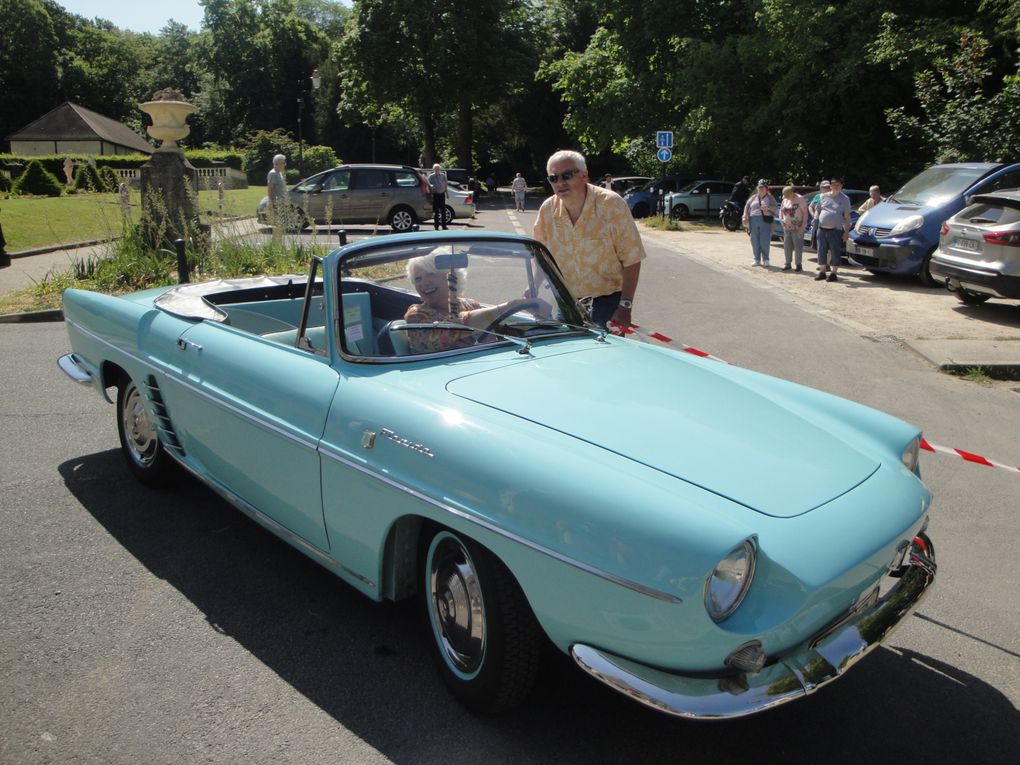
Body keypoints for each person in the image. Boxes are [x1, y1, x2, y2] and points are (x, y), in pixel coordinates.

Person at [532, 149, 646, 330]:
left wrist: (625, 305)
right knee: (566, 355)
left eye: (567, 175)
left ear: (584, 175)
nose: (560, 183)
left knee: (607, 358)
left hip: (608, 303)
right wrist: (531, 289)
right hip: (568, 302)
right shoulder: (547, 210)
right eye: (554, 178)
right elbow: (540, 256)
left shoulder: (611, 205)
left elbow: (632, 258)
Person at [403, 249, 539, 353]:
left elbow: (491, 342)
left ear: (451, 275)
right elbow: (452, 330)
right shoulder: (416, 316)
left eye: (431, 274)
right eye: (418, 279)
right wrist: (512, 305)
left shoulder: (471, 305)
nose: (424, 283)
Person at [814, 177, 852, 282]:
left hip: (835, 229)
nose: (836, 186)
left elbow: (847, 217)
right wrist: (816, 219)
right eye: (834, 184)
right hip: (821, 228)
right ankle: (822, 271)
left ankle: (834, 273)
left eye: (838, 185)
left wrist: (846, 232)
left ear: (841, 186)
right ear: (830, 186)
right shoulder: (824, 196)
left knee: (835, 251)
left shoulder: (845, 199)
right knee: (821, 250)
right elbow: (818, 209)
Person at [741, 179, 777, 267]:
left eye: (762, 187)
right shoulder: (753, 197)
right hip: (753, 220)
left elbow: (775, 208)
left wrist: (767, 208)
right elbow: (747, 206)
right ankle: (756, 259)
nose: (760, 189)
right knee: (754, 240)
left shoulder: (770, 198)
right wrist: (745, 215)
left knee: (764, 240)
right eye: (759, 187)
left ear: (766, 188)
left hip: (765, 220)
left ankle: (766, 259)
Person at [779, 186, 807, 272]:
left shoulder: (800, 199)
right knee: (787, 246)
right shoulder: (785, 200)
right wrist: (782, 221)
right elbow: (781, 212)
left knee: (798, 247)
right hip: (787, 227)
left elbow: (805, 213)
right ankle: (787, 264)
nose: (786, 198)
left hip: (797, 227)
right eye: (785, 196)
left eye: (787, 196)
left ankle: (798, 265)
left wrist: (803, 227)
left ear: (792, 193)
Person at [266, 154, 288, 241]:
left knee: (281, 224)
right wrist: (270, 202)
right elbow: (270, 188)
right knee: (279, 224)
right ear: (278, 163)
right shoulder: (273, 174)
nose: (284, 165)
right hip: (276, 203)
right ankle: (275, 241)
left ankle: (278, 241)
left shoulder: (279, 173)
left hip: (281, 202)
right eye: (283, 163)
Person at [808, 179, 830, 250]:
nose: (826, 189)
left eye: (828, 187)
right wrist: (813, 216)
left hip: (828, 222)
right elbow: (810, 206)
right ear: (821, 188)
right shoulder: (818, 196)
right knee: (816, 239)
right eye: (824, 187)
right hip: (817, 220)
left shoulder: (832, 196)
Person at [428, 163, 449, 230]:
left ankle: (444, 226)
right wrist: (432, 189)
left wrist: (447, 194)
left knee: (443, 211)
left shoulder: (443, 176)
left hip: (442, 195)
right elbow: (429, 185)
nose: (437, 170)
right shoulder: (431, 176)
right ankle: (436, 226)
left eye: (438, 169)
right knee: (436, 211)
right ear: (433, 169)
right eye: (436, 169)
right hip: (435, 195)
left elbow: (446, 185)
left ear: (440, 169)